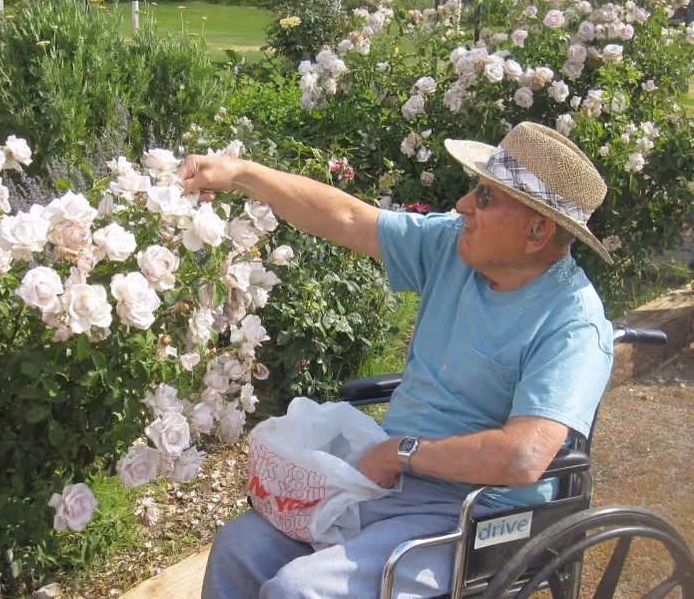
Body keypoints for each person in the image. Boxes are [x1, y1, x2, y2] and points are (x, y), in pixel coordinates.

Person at [177, 122, 616, 599]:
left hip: (477, 514)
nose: (463, 205)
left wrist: (401, 451)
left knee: (298, 591)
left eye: (486, 197)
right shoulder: (453, 247)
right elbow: (348, 217)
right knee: (237, 548)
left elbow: (523, 456)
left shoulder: (574, 323)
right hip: (387, 486)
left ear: (536, 230)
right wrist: (242, 173)